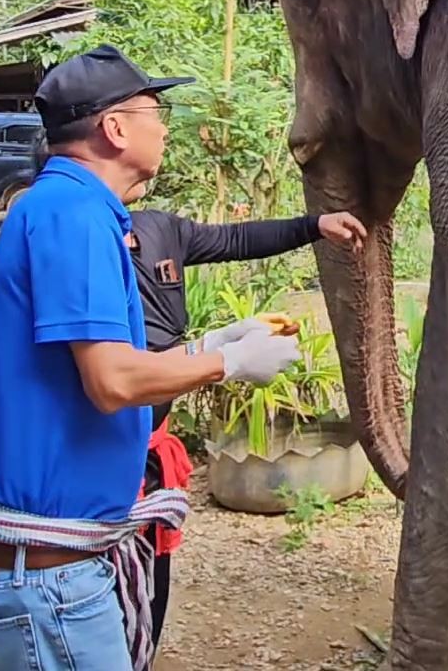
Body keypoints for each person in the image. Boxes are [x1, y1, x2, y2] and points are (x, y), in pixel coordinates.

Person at [0, 44, 302, 671]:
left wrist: (209, 345)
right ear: (114, 128)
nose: (164, 126)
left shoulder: (63, 208)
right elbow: (111, 381)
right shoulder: (75, 214)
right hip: (45, 589)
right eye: (153, 110)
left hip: (40, 574)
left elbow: (89, 368)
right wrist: (228, 364)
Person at [129, 201, 368, 637]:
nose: (162, 134)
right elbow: (111, 375)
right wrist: (225, 354)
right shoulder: (78, 246)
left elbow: (234, 240)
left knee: (147, 604)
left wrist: (315, 225)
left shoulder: (159, 229)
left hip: (149, 456)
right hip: (103, 460)